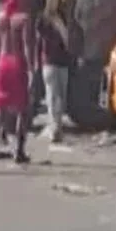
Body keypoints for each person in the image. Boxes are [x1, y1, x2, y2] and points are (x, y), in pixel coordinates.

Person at [0, 0, 34, 163]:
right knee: (22, 109)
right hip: (18, 63)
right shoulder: (24, 19)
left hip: (2, 62)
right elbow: (27, 46)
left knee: (0, 107)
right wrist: (31, 69)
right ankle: (19, 151)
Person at [36, 11, 70, 144]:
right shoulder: (45, 22)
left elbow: (67, 42)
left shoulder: (54, 20)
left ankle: (56, 128)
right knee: (55, 97)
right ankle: (55, 128)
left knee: (56, 97)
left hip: (55, 63)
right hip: (53, 63)